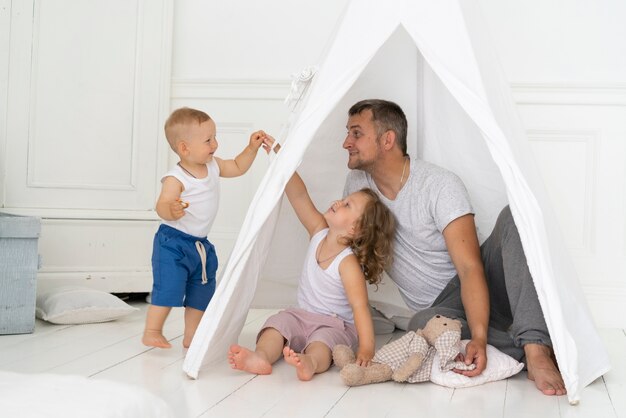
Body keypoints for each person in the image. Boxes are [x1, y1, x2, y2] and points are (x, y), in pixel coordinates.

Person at [341, 99, 566, 396]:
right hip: (443, 311)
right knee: (421, 322)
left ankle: (536, 349)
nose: (346, 142)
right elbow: (328, 236)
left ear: (387, 139)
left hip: (484, 285)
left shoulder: (439, 185)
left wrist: (481, 336)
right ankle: (528, 343)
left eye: (356, 133)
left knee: (516, 213)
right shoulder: (356, 185)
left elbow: (470, 267)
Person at [228, 147, 396, 381]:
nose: (339, 201)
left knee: (323, 343)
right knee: (276, 325)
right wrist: (282, 158)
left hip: (335, 325)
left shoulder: (347, 264)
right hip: (302, 315)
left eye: (347, 205)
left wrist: (366, 348)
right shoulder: (318, 231)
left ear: (355, 230)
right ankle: (261, 357)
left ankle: (310, 363)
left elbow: (360, 308)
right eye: (344, 199)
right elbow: (299, 196)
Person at [142, 107, 271, 349]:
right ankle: (152, 330)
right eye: (208, 140)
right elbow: (162, 204)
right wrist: (171, 209)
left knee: (201, 291)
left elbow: (237, 167)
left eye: (215, 137)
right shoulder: (176, 177)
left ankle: (192, 335)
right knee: (169, 287)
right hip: (173, 243)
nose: (215, 144)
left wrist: (251, 149)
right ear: (184, 148)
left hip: (200, 245)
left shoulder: (213, 165)